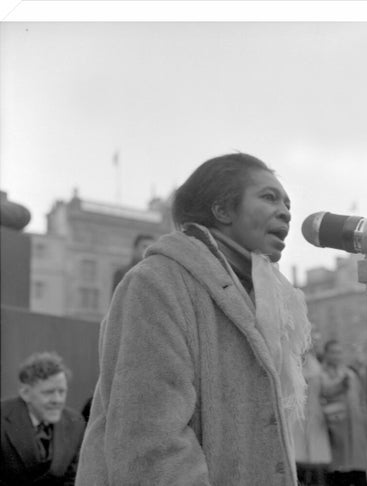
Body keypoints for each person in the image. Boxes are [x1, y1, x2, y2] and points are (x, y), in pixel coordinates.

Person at [75, 153, 312, 485]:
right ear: (222, 210)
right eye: (269, 197)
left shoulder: (263, 299)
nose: (286, 212)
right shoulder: (156, 282)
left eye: (288, 202)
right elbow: (150, 443)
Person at [0, 352, 85, 486]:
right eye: (48, 392)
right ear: (25, 393)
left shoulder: (76, 422)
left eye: (62, 391)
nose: (57, 400)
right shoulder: (3, 417)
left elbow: (72, 478)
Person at [319, 340, 367, 486]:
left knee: (359, 474)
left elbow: (361, 402)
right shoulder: (320, 374)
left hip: (356, 432)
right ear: (326, 354)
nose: (337, 356)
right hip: (335, 433)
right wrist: (340, 384)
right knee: (338, 474)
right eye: (333, 352)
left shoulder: (350, 374)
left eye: (339, 352)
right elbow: (325, 391)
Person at [293, 344, 331, 486]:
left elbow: (326, 389)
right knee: (297, 452)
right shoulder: (292, 365)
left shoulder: (316, 369)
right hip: (296, 414)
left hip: (314, 414)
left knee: (316, 456)